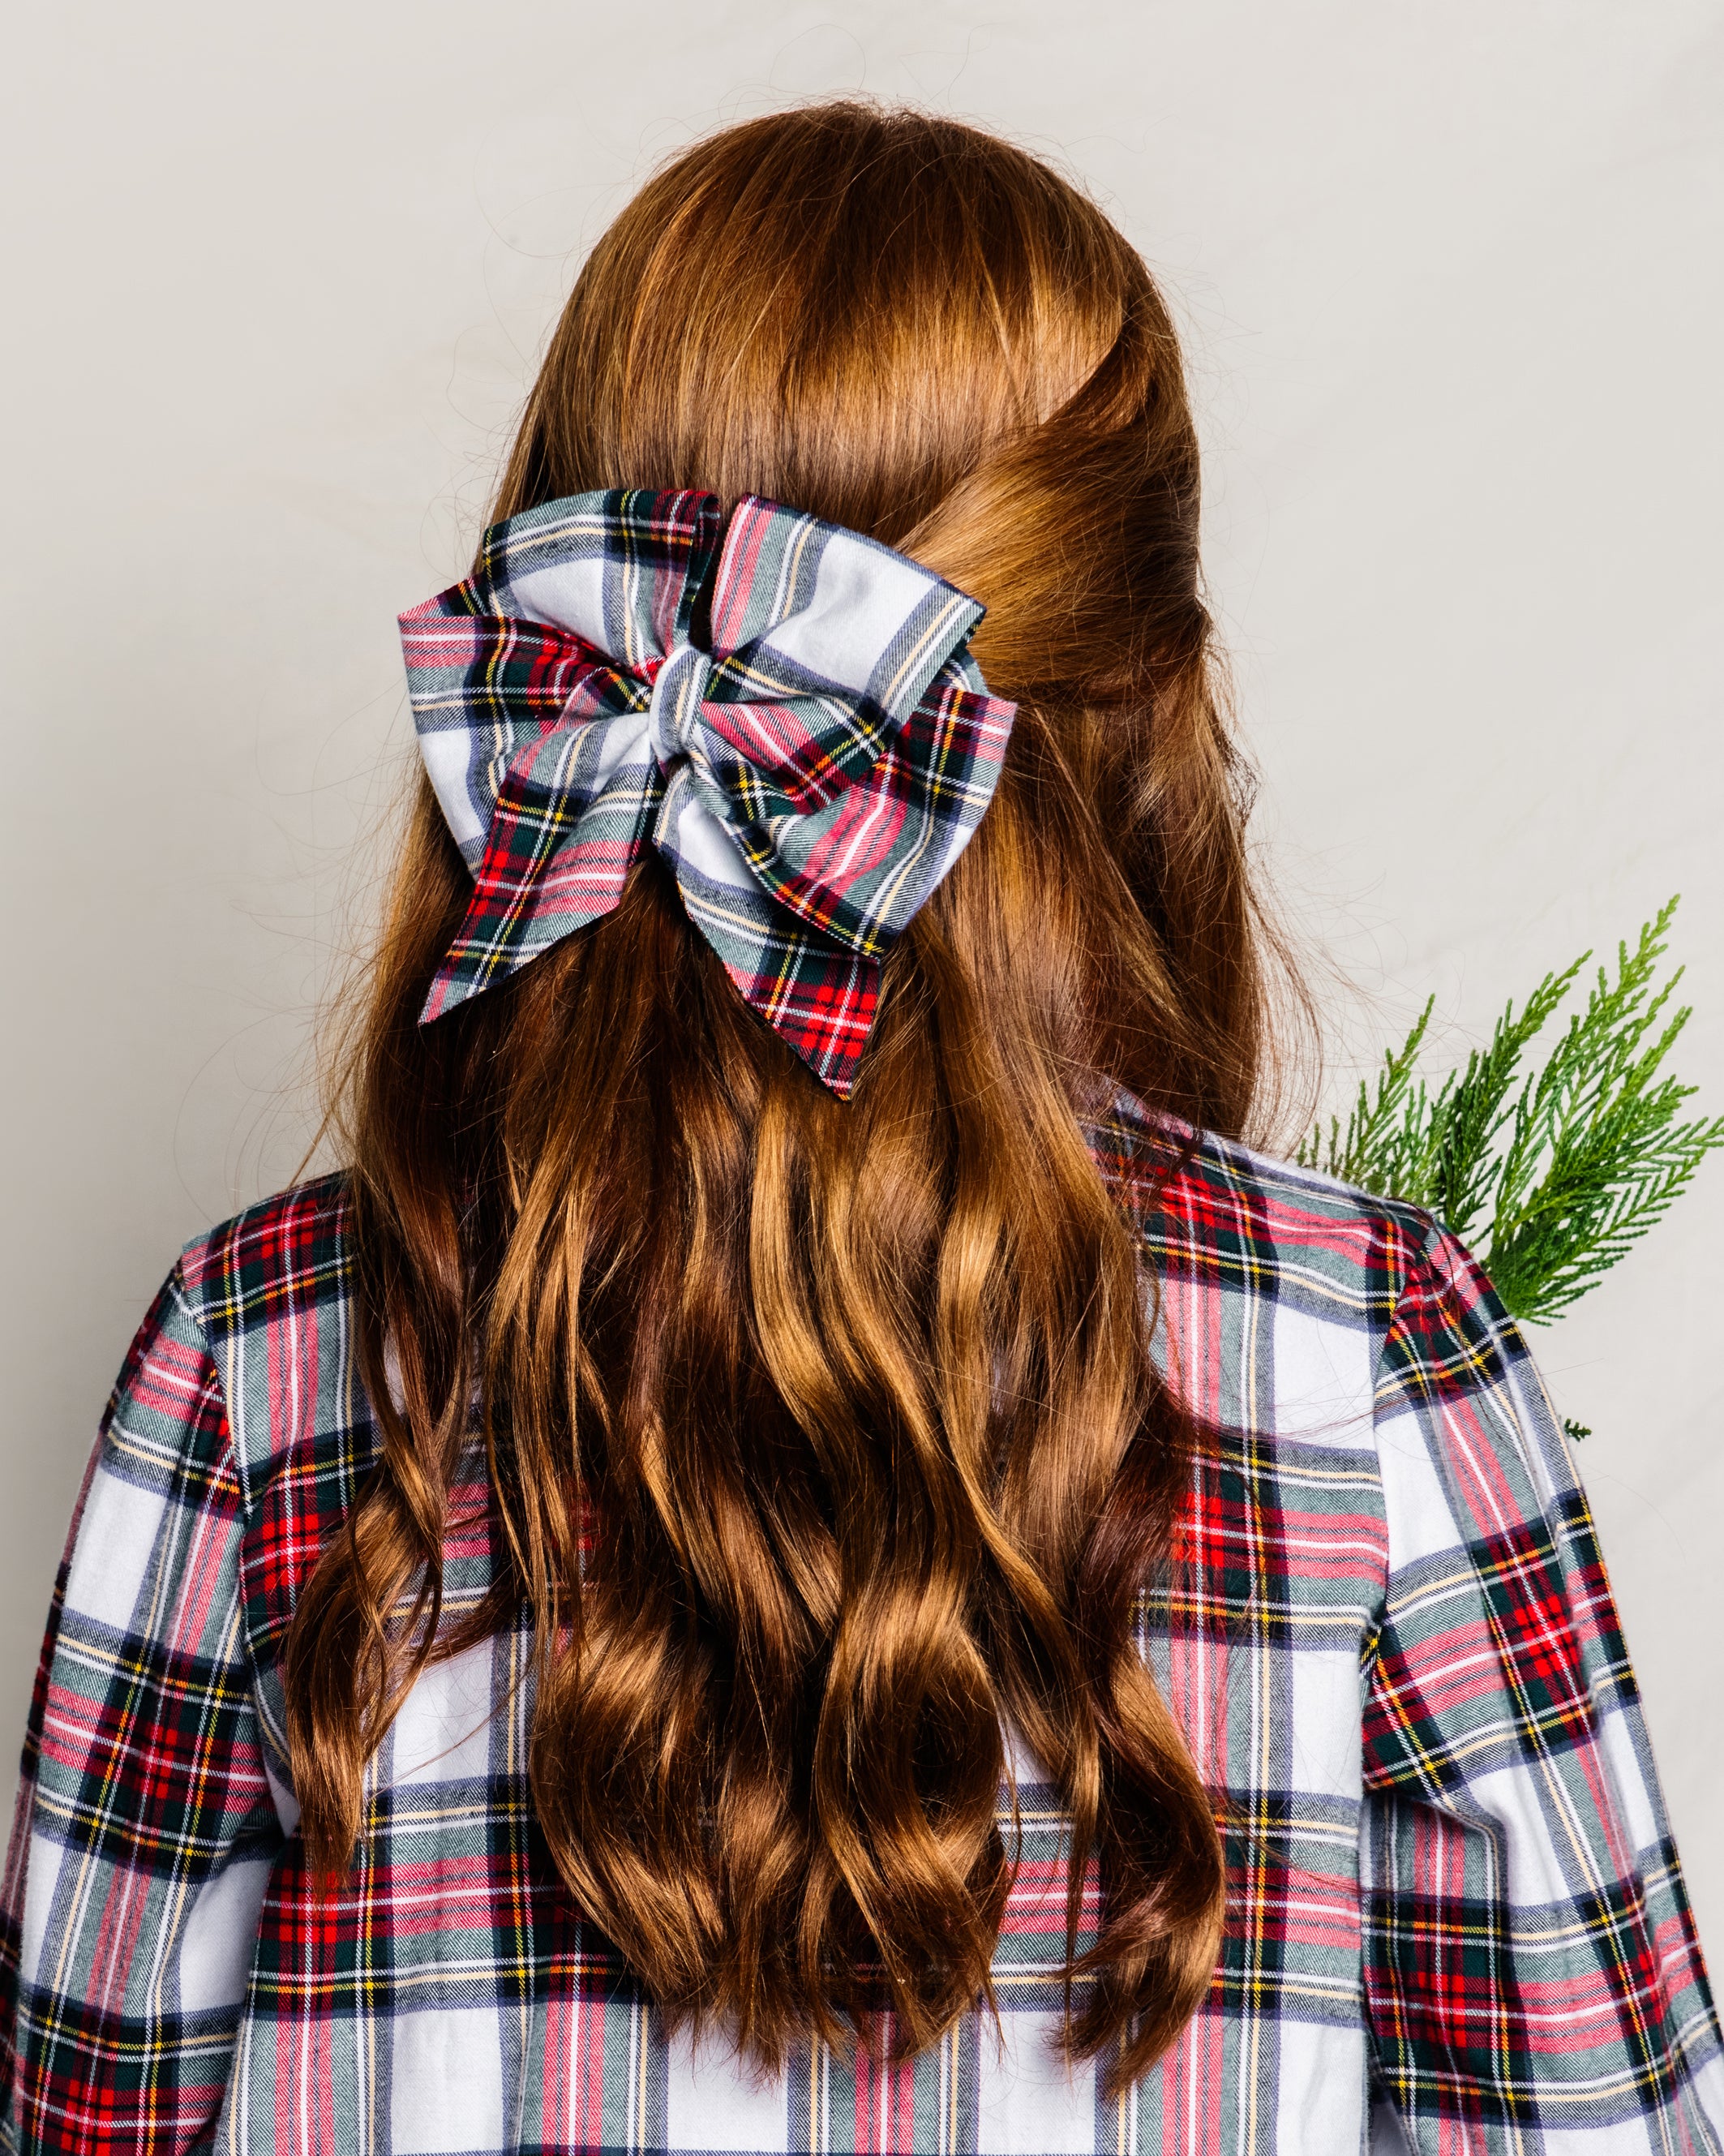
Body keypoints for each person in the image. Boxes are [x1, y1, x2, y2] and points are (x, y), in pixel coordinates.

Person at [2, 101, 1718, 2156]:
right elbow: (1599, 2120)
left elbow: (78, 2117)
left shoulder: (264, 1358)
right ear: (1144, 691)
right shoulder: (1364, 1361)